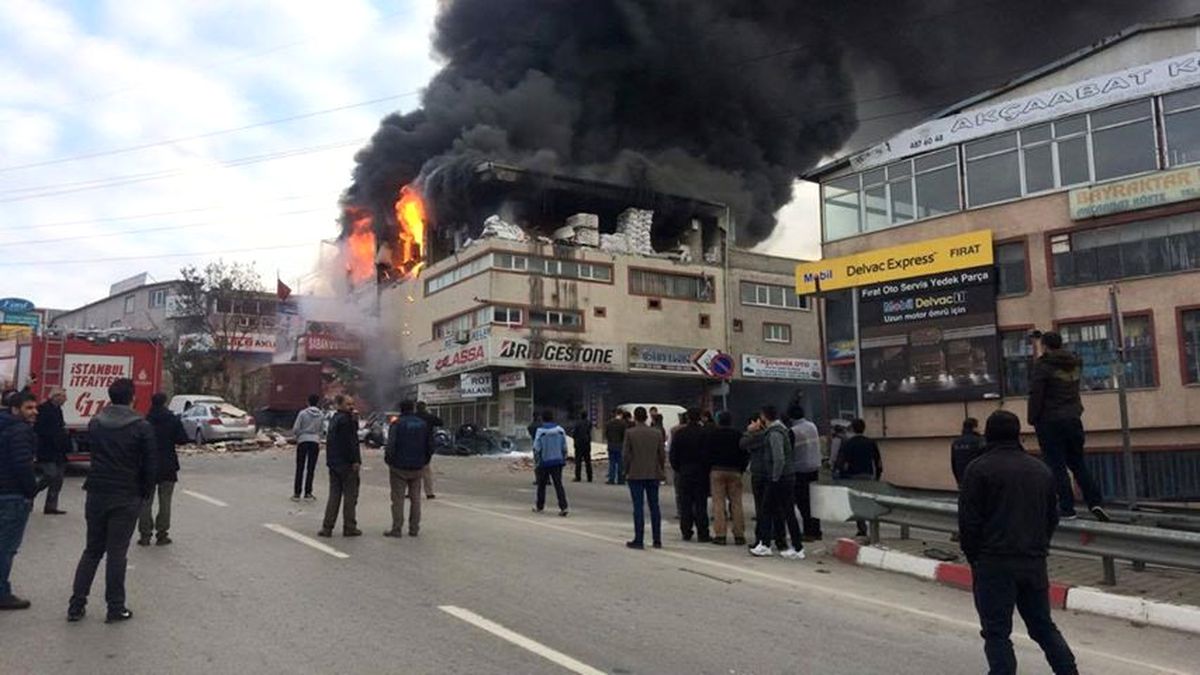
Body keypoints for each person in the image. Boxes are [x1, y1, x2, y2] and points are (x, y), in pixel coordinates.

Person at [959, 410, 1078, 675]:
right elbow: (1052, 517)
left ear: (988, 435)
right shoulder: (1040, 469)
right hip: (1033, 561)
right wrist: (1039, 546)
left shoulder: (978, 469)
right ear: (1019, 434)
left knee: (996, 632)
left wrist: (974, 556)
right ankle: (1068, 671)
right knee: (1043, 626)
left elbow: (969, 522)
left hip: (993, 562)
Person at [68, 378, 156, 623]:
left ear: (110, 396)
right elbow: (150, 466)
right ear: (132, 398)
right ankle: (115, 607)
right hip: (126, 495)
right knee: (117, 553)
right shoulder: (141, 427)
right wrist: (145, 493)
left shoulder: (96, 423)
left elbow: (94, 455)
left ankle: (76, 604)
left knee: (92, 550)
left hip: (96, 492)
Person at [1027, 331, 1109, 522]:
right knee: (1078, 462)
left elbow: (1036, 394)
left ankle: (1067, 508)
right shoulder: (1075, 362)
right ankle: (1095, 501)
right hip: (1073, 418)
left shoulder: (1043, 366)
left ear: (1045, 346)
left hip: (1050, 420)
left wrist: (1032, 418)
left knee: (1056, 465)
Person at [743, 407, 802, 559]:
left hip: (779, 478)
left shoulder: (774, 433)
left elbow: (779, 458)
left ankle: (765, 544)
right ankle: (796, 547)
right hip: (785, 477)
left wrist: (775, 477)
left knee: (766, 511)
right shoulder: (781, 430)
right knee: (786, 512)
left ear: (764, 417)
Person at [0, 391, 40, 610]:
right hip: (13, 495)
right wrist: (32, 490)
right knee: (6, 548)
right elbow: (22, 465)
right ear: (16, 409)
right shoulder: (20, 431)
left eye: (35, 408)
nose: (34, 412)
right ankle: (2, 593)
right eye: (29, 408)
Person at [138, 393, 188, 547]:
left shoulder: (144, 421)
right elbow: (183, 439)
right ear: (165, 402)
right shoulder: (173, 419)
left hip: (147, 465)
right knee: (165, 500)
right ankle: (162, 534)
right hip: (168, 464)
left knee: (146, 501)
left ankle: (145, 535)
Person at [384, 400, 433, 538]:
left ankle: (397, 528)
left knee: (398, 499)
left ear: (401, 409)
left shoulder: (397, 424)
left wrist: (389, 461)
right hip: (418, 466)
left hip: (399, 466)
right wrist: (425, 461)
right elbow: (429, 445)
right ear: (413, 408)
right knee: (415, 499)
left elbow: (391, 445)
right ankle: (414, 528)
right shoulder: (423, 424)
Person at [318, 395, 361, 538]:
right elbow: (351, 443)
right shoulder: (346, 421)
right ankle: (349, 527)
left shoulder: (334, 420)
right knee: (350, 497)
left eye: (352, 404)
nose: (351, 407)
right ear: (339, 404)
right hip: (347, 464)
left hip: (334, 463)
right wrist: (355, 461)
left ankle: (327, 527)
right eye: (348, 404)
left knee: (334, 496)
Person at [622, 406, 665, 549]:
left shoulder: (630, 433)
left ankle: (639, 539)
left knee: (638, 507)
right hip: (653, 473)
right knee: (655, 506)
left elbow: (626, 455)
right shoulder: (657, 433)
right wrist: (660, 469)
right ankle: (657, 539)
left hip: (635, 473)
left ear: (635, 417)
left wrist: (626, 470)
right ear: (646, 417)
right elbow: (661, 455)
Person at [706, 410, 749, 546]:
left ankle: (720, 535)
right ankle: (739, 534)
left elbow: (706, 453)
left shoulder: (712, 435)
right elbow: (744, 454)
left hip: (717, 470)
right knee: (736, 503)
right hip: (735, 471)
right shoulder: (738, 435)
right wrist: (741, 469)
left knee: (718, 503)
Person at [835, 418, 883, 538]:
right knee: (869, 501)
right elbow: (878, 462)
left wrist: (841, 477)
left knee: (857, 503)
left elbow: (842, 463)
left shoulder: (848, 444)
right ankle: (874, 526)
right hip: (868, 475)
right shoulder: (871, 442)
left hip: (854, 476)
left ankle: (862, 529)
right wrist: (877, 476)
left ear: (853, 429)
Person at [668, 408, 710, 542]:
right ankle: (703, 533)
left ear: (687, 418)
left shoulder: (680, 434)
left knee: (685, 503)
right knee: (700, 503)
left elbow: (673, 454)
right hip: (701, 472)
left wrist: (678, 468)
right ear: (699, 418)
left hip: (684, 471)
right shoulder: (704, 433)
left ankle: (686, 531)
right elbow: (709, 454)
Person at [789, 405, 823, 541]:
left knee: (803, 503)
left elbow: (789, 452)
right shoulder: (812, 426)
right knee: (814, 501)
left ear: (791, 417)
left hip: (800, 471)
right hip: (814, 468)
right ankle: (817, 530)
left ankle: (808, 532)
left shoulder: (793, 431)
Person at [34, 389, 68, 515]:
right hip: (46, 450)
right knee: (50, 475)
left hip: (59, 450)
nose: (66, 399)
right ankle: (31, 492)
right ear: (55, 397)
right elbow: (39, 429)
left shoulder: (58, 410)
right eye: (63, 396)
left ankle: (51, 506)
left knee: (58, 479)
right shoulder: (43, 409)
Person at [532, 410, 569, 516]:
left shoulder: (540, 431)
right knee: (558, 485)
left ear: (542, 419)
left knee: (541, 485)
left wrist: (537, 461)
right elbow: (564, 446)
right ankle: (564, 507)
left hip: (544, 462)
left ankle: (540, 506)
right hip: (558, 461)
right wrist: (564, 457)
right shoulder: (560, 430)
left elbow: (536, 447)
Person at [291, 394, 324, 501]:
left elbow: (296, 428)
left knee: (300, 467)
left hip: (303, 441)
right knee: (311, 468)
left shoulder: (302, 413)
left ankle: (297, 493)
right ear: (317, 402)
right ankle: (308, 492)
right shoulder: (321, 415)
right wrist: (317, 437)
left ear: (308, 402)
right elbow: (322, 430)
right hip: (314, 442)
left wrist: (299, 436)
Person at [415, 402, 441, 499]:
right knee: (426, 470)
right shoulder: (429, 417)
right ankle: (429, 492)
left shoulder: (414, 417)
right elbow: (440, 422)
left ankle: (412, 491)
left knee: (414, 470)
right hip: (426, 446)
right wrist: (429, 414)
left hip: (415, 446)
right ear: (425, 408)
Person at [950, 417, 985, 487]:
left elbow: (953, 463)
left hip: (962, 480)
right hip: (977, 480)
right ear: (974, 428)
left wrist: (958, 481)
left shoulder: (956, 443)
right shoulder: (980, 441)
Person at [604, 409, 627, 485]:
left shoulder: (609, 423)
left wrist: (610, 440)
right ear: (621, 414)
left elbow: (606, 434)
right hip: (620, 445)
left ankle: (611, 479)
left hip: (611, 445)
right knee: (620, 463)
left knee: (612, 463)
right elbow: (625, 435)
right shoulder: (623, 424)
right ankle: (620, 479)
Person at [572, 412, 593, 483]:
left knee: (578, 461)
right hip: (587, 444)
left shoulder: (577, 423)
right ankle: (589, 477)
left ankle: (578, 476)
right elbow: (589, 431)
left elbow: (574, 433)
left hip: (579, 444)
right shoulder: (589, 423)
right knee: (588, 461)